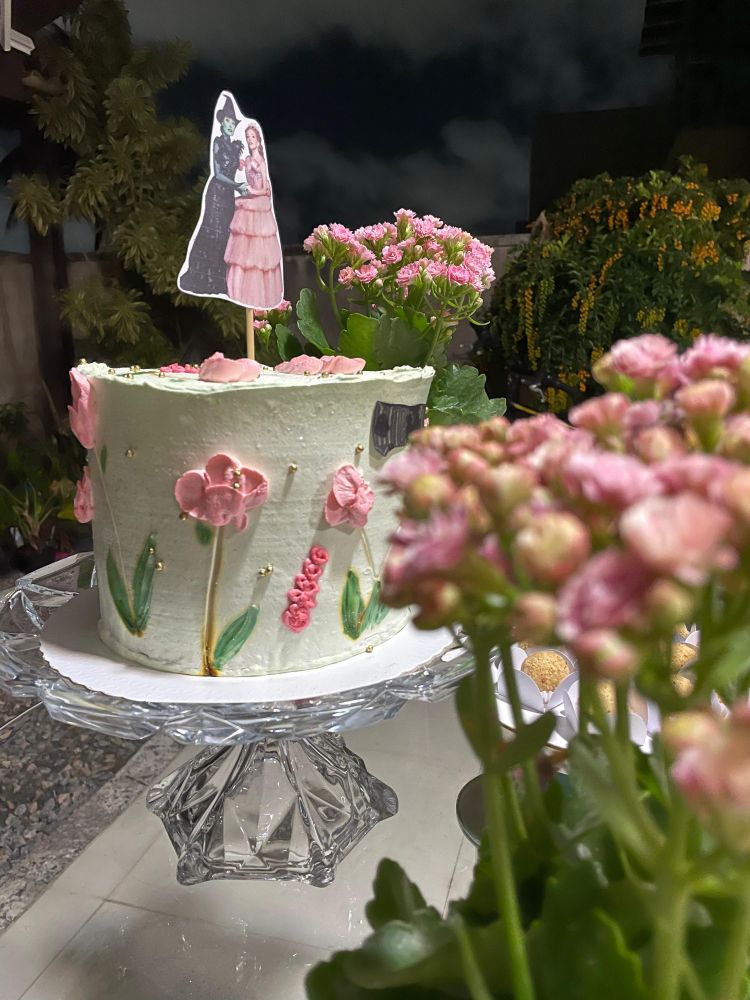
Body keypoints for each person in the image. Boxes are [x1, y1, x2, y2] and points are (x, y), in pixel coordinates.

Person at [179, 94, 248, 297]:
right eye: (228, 121)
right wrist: (237, 185)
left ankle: (218, 279)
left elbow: (238, 168)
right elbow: (218, 174)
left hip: (228, 196)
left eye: (233, 122)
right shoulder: (218, 143)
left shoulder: (235, 147)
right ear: (222, 122)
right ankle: (203, 277)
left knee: (225, 234)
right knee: (212, 232)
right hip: (217, 193)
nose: (231, 125)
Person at [224, 123, 284, 308]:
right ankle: (239, 291)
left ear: (258, 141)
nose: (250, 140)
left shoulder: (261, 162)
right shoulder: (248, 159)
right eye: (248, 137)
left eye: (253, 137)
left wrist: (251, 191)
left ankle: (259, 293)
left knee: (259, 248)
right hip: (249, 202)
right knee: (244, 248)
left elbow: (265, 189)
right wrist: (239, 165)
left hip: (258, 204)